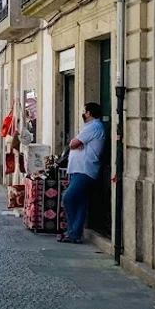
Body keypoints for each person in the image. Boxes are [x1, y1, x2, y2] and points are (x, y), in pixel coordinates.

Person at [59, 102, 105, 244]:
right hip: (79, 169)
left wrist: (76, 143)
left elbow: (73, 143)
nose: (83, 114)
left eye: (84, 111)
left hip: (84, 169)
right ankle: (73, 233)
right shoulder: (91, 127)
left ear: (89, 113)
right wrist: (78, 143)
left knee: (68, 198)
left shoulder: (93, 126)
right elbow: (76, 143)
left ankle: (73, 231)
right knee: (79, 202)